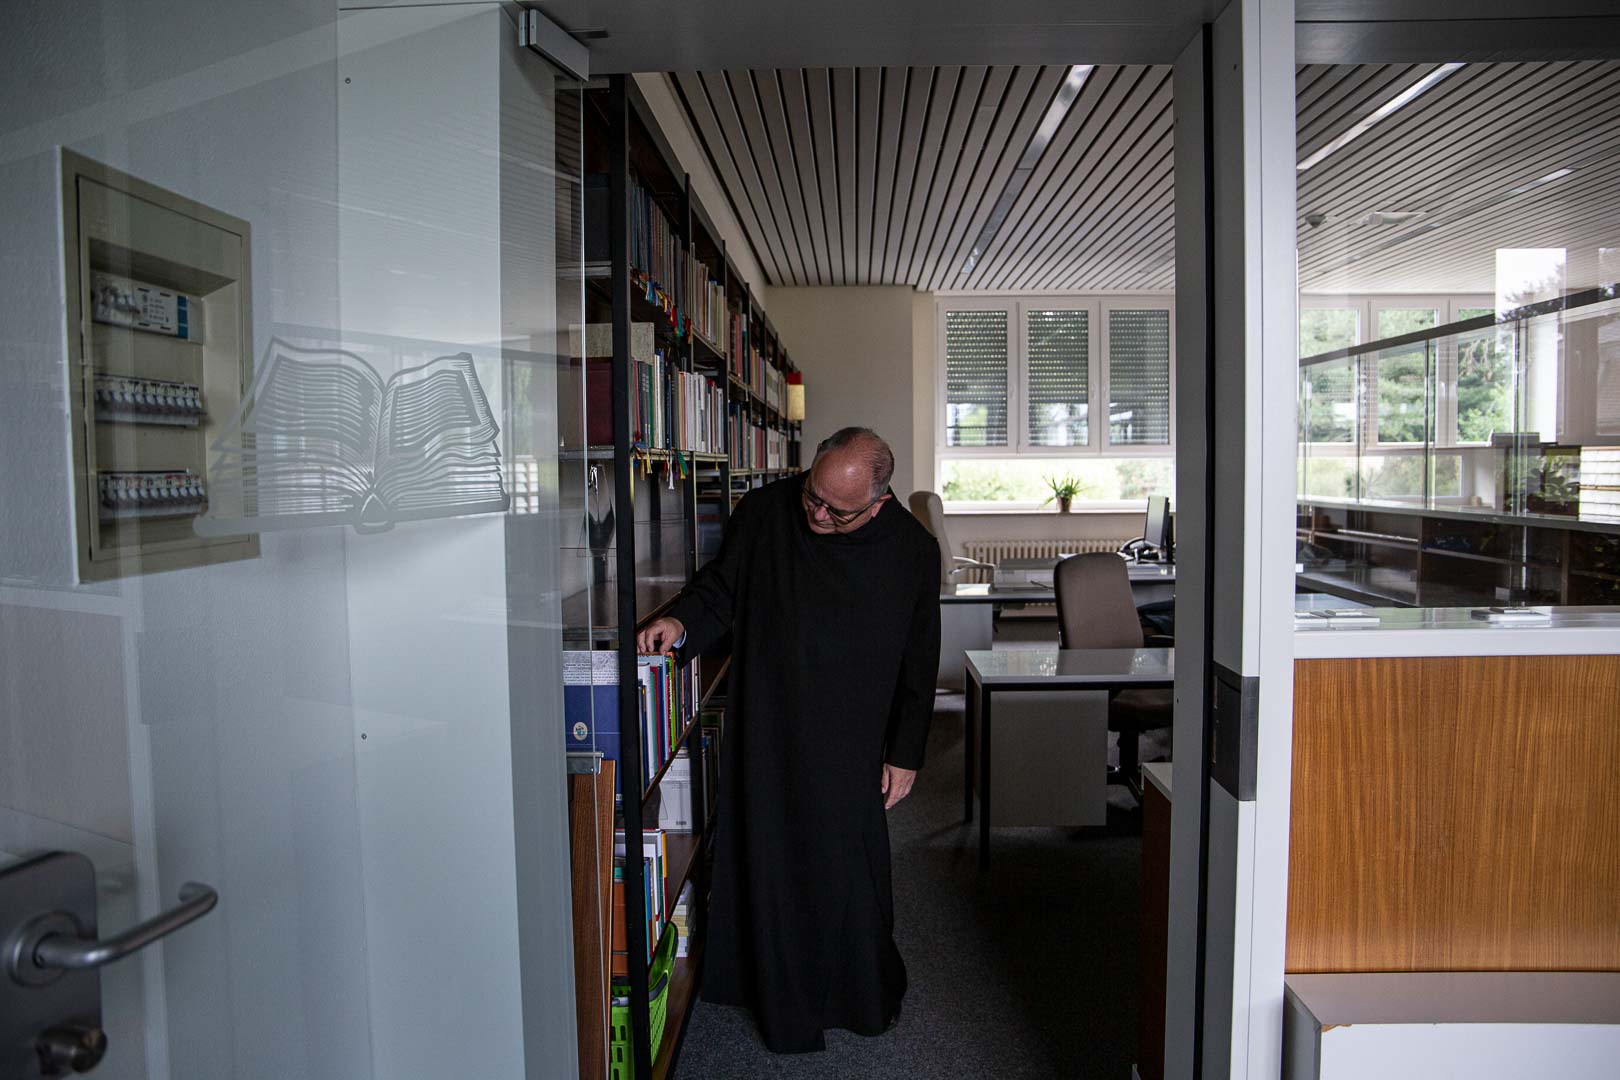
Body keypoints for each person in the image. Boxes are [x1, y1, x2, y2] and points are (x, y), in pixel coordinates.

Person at [637, 426, 940, 1054]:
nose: (818, 515)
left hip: (853, 737)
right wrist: (680, 621)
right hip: (770, 720)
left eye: (838, 511)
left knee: (844, 868)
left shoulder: (912, 549)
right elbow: (722, 590)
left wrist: (905, 753)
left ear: (878, 502)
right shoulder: (765, 512)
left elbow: (920, 658)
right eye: (813, 497)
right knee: (770, 855)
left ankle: (851, 994)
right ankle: (775, 994)